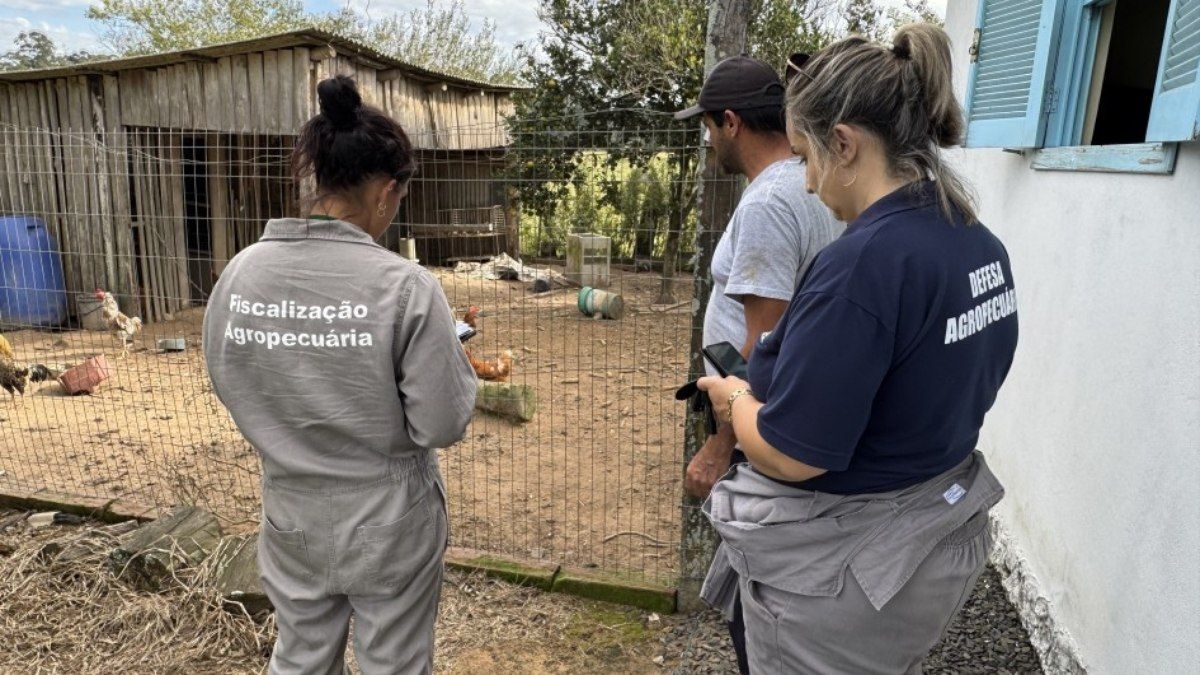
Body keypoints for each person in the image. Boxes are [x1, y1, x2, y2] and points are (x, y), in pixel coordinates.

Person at [696, 24, 1019, 673]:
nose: (809, 183)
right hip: (924, 518)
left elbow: (792, 453)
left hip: (846, 557)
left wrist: (734, 400)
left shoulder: (863, 267)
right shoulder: (976, 241)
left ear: (844, 144)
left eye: (808, 157)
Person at [202, 75, 477, 674]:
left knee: (299, 658)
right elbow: (441, 421)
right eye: (398, 198)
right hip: (390, 517)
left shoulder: (241, 274)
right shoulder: (406, 287)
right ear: (383, 191)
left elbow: (230, 376)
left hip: (289, 510)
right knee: (394, 663)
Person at [675, 55, 842, 673]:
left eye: (708, 126)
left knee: (760, 594)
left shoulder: (770, 203)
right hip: (789, 413)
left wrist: (720, 445)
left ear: (732, 121)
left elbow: (760, 346)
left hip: (756, 423)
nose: (708, 139)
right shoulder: (814, 183)